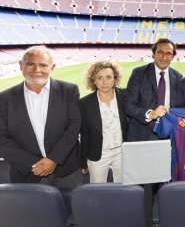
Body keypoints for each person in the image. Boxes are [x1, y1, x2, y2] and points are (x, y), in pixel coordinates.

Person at [0, 45, 82, 188]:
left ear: (52, 67)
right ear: (21, 65)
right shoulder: (4, 98)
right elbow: (1, 137)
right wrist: (33, 165)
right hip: (27, 173)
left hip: (67, 170)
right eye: (31, 64)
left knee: (70, 209)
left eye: (43, 65)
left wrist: (54, 159)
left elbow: (74, 127)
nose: (37, 70)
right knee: (32, 211)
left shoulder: (69, 90)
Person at [125, 38, 182, 141]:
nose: (164, 57)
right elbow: (129, 104)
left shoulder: (178, 76)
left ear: (172, 56)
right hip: (142, 135)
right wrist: (150, 114)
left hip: (168, 134)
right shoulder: (139, 73)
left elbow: (180, 106)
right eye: (160, 52)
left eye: (168, 53)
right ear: (153, 54)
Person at [79, 61, 128, 183]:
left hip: (122, 152)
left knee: (124, 188)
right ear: (93, 81)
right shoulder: (84, 103)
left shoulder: (126, 96)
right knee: (97, 190)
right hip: (98, 154)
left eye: (108, 77)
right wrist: (83, 161)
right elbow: (84, 134)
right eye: (99, 78)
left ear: (115, 79)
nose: (104, 82)